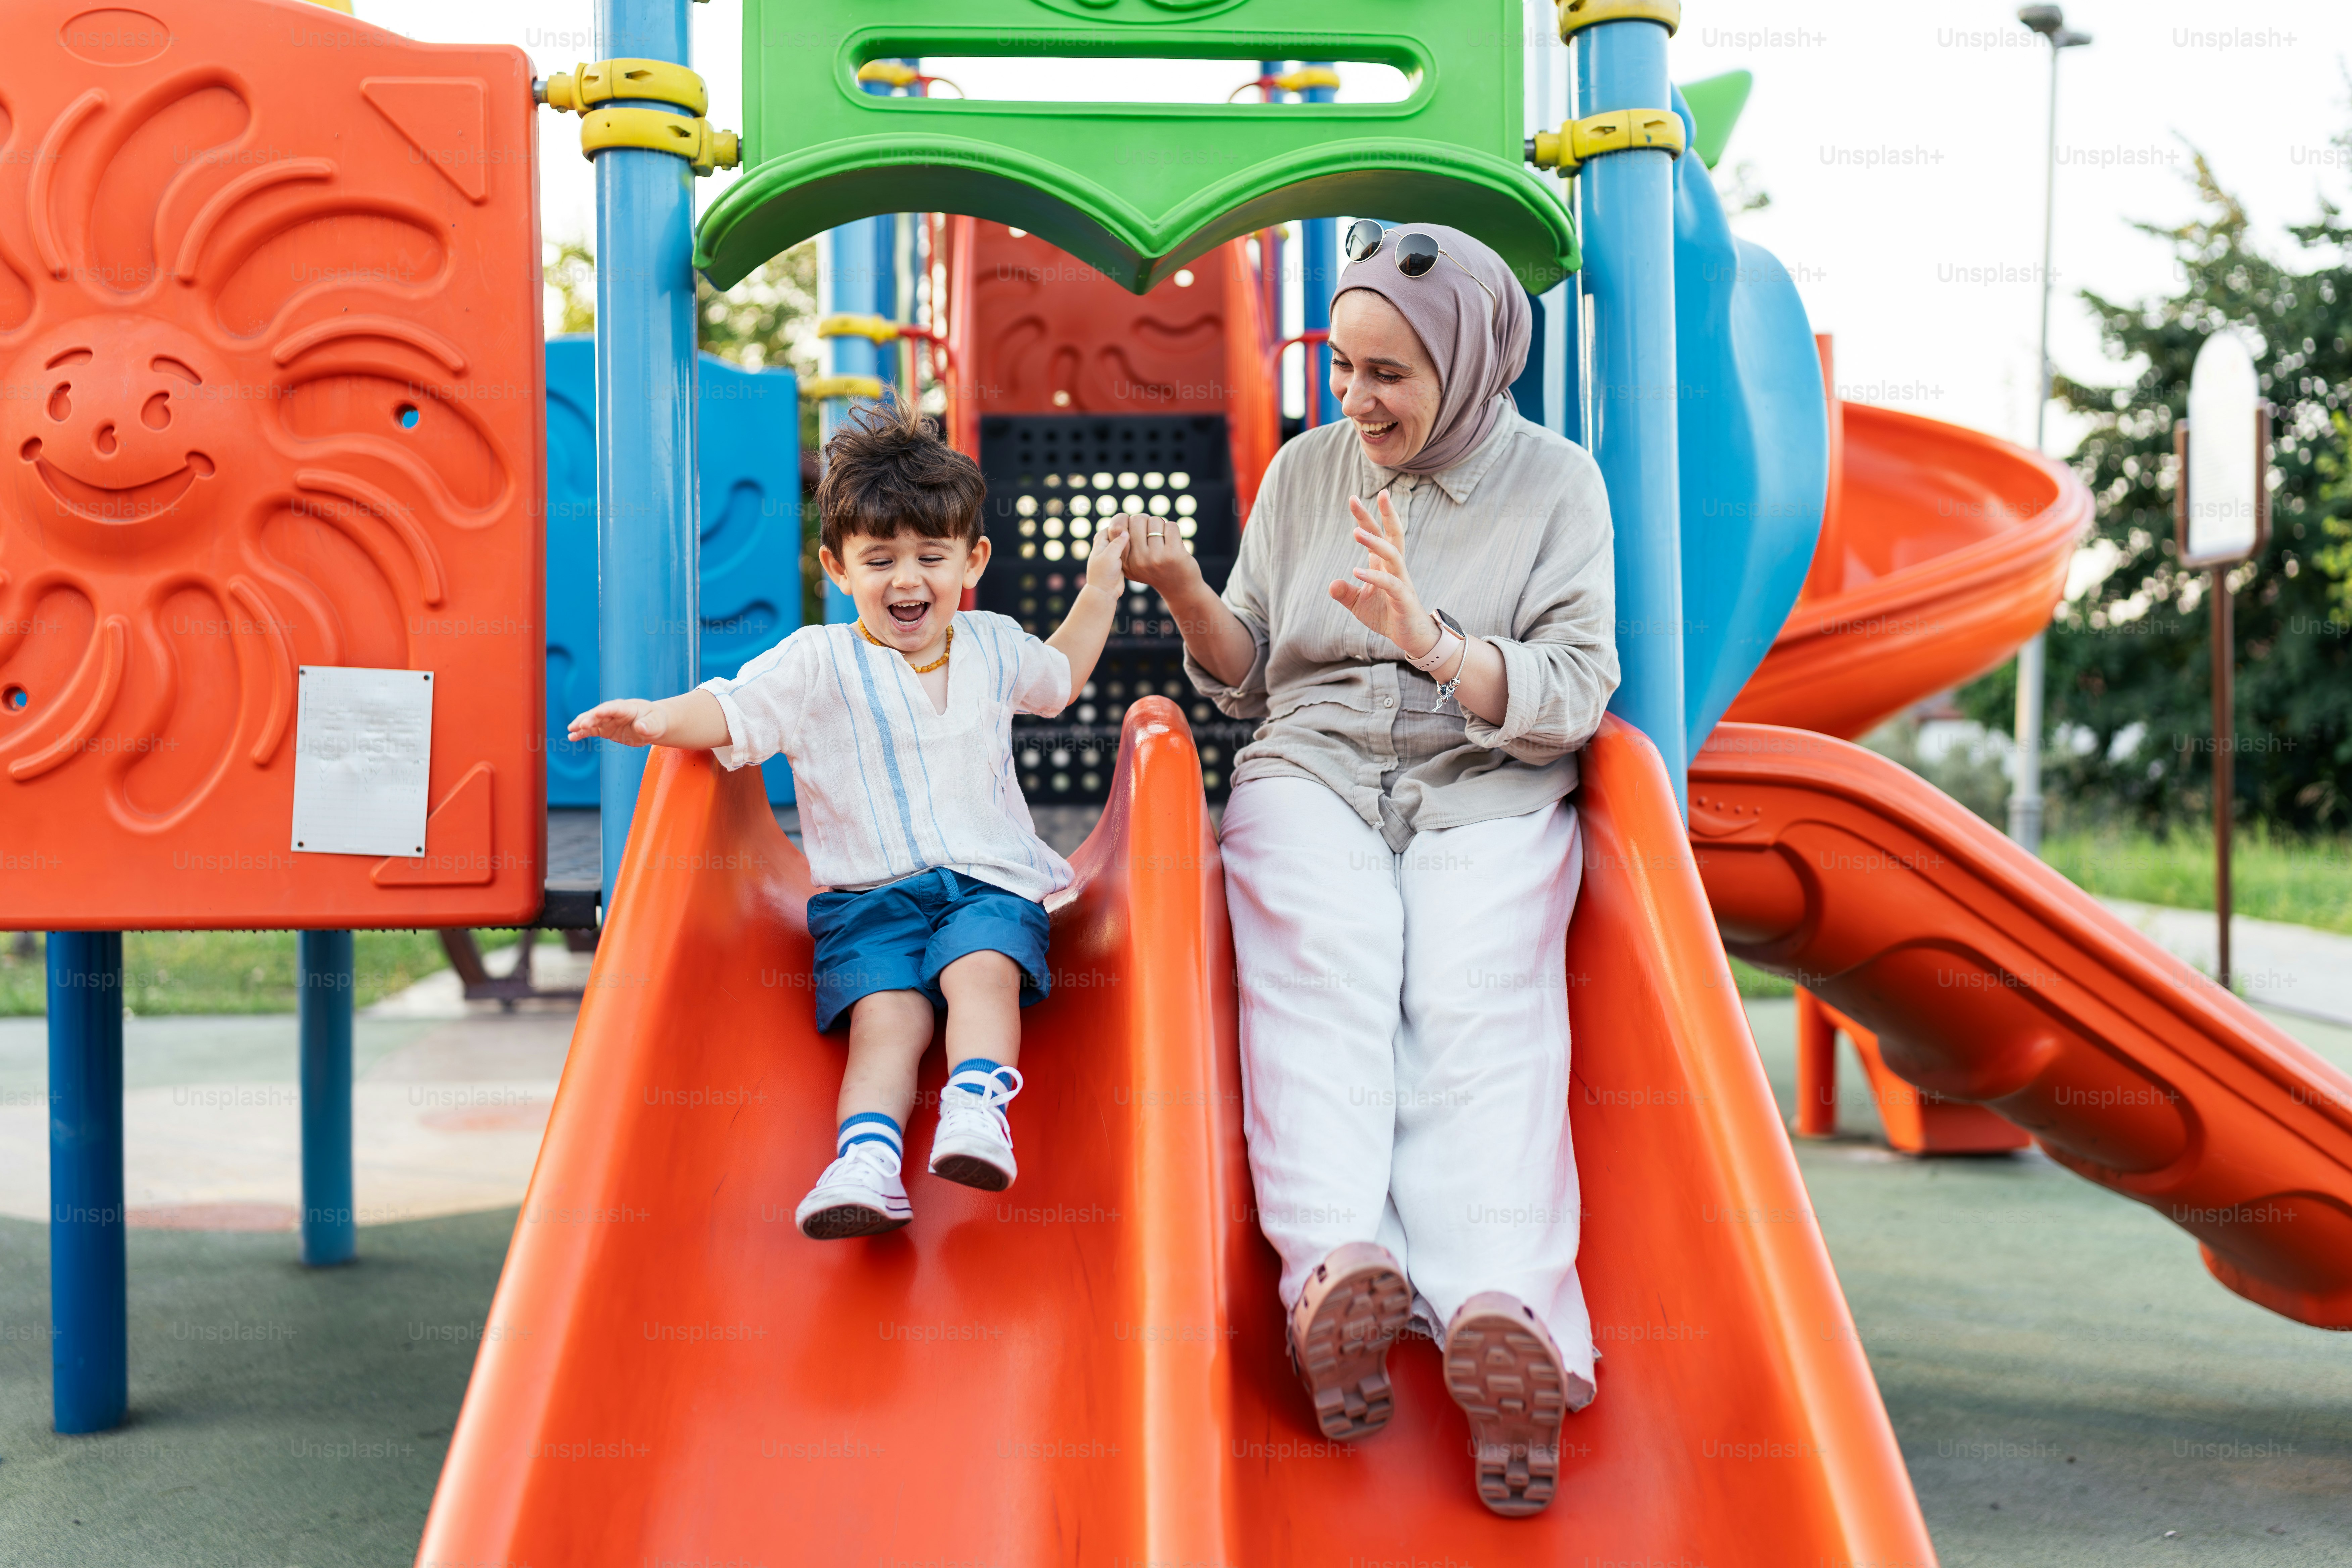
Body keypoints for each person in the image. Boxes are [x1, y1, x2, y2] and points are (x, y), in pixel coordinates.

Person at [1121, 221, 1618, 1517]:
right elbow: (1245, 675)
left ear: (1466, 361)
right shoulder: (1304, 474)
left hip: (1484, 774)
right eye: (1341, 367)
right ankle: (1334, 1268)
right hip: (1319, 770)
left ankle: (1506, 1314)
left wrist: (1436, 642)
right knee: (1317, 972)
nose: (1357, 399)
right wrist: (1183, 588)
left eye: (1388, 374)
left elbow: (1573, 691)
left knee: (1479, 1004)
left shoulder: (1556, 487)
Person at [569, 398, 1129, 1240]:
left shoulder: (991, 643)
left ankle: (978, 1105)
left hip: (990, 880)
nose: (908, 580)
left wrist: (1100, 590)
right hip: (869, 900)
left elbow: (1061, 676)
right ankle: (866, 1160)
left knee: (982, 968)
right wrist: (656, 718)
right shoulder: (815, 663)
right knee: (886, 1019)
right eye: (880, 560)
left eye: (931, 556)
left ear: (971, 559)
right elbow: (733, 708)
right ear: (838, 568)